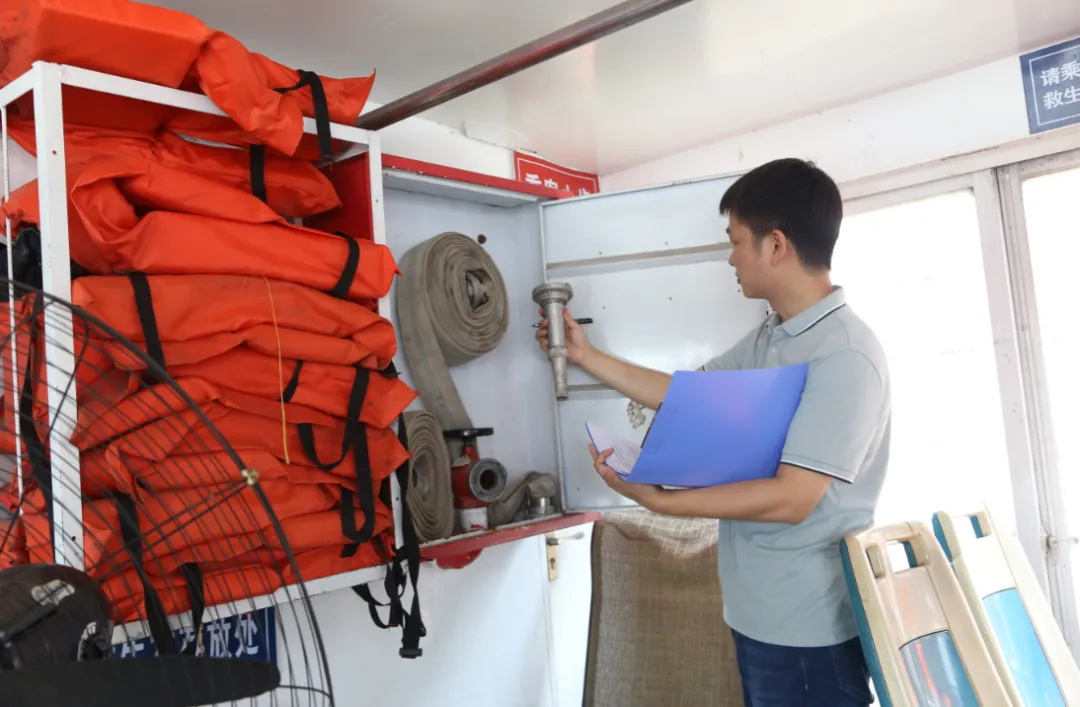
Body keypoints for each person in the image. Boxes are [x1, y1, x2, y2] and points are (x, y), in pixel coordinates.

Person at [535, 158, 889, 707]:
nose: (731, 258)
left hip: (810, 627)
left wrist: (663, 502)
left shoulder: (844, 354)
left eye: (736, 241)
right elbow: (688, 397)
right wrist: (586, 356)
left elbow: (793, 498)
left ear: (776, 245)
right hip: (759, 614)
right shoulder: (773, 336)